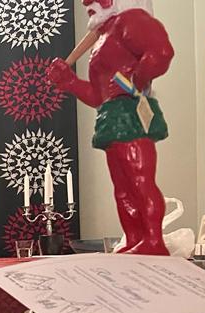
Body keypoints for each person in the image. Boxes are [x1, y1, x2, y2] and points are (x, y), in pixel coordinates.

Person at [46, 0, 173, 255]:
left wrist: (135, 81)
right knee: (123, 188)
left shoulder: (131, 20)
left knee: (140, 181)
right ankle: (135, 238)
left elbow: (161, 52)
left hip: (131, 114)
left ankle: (153, 241)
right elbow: (97, 95)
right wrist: (70, 82)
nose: (87, 2)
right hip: (110, 116)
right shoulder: (103, 36)